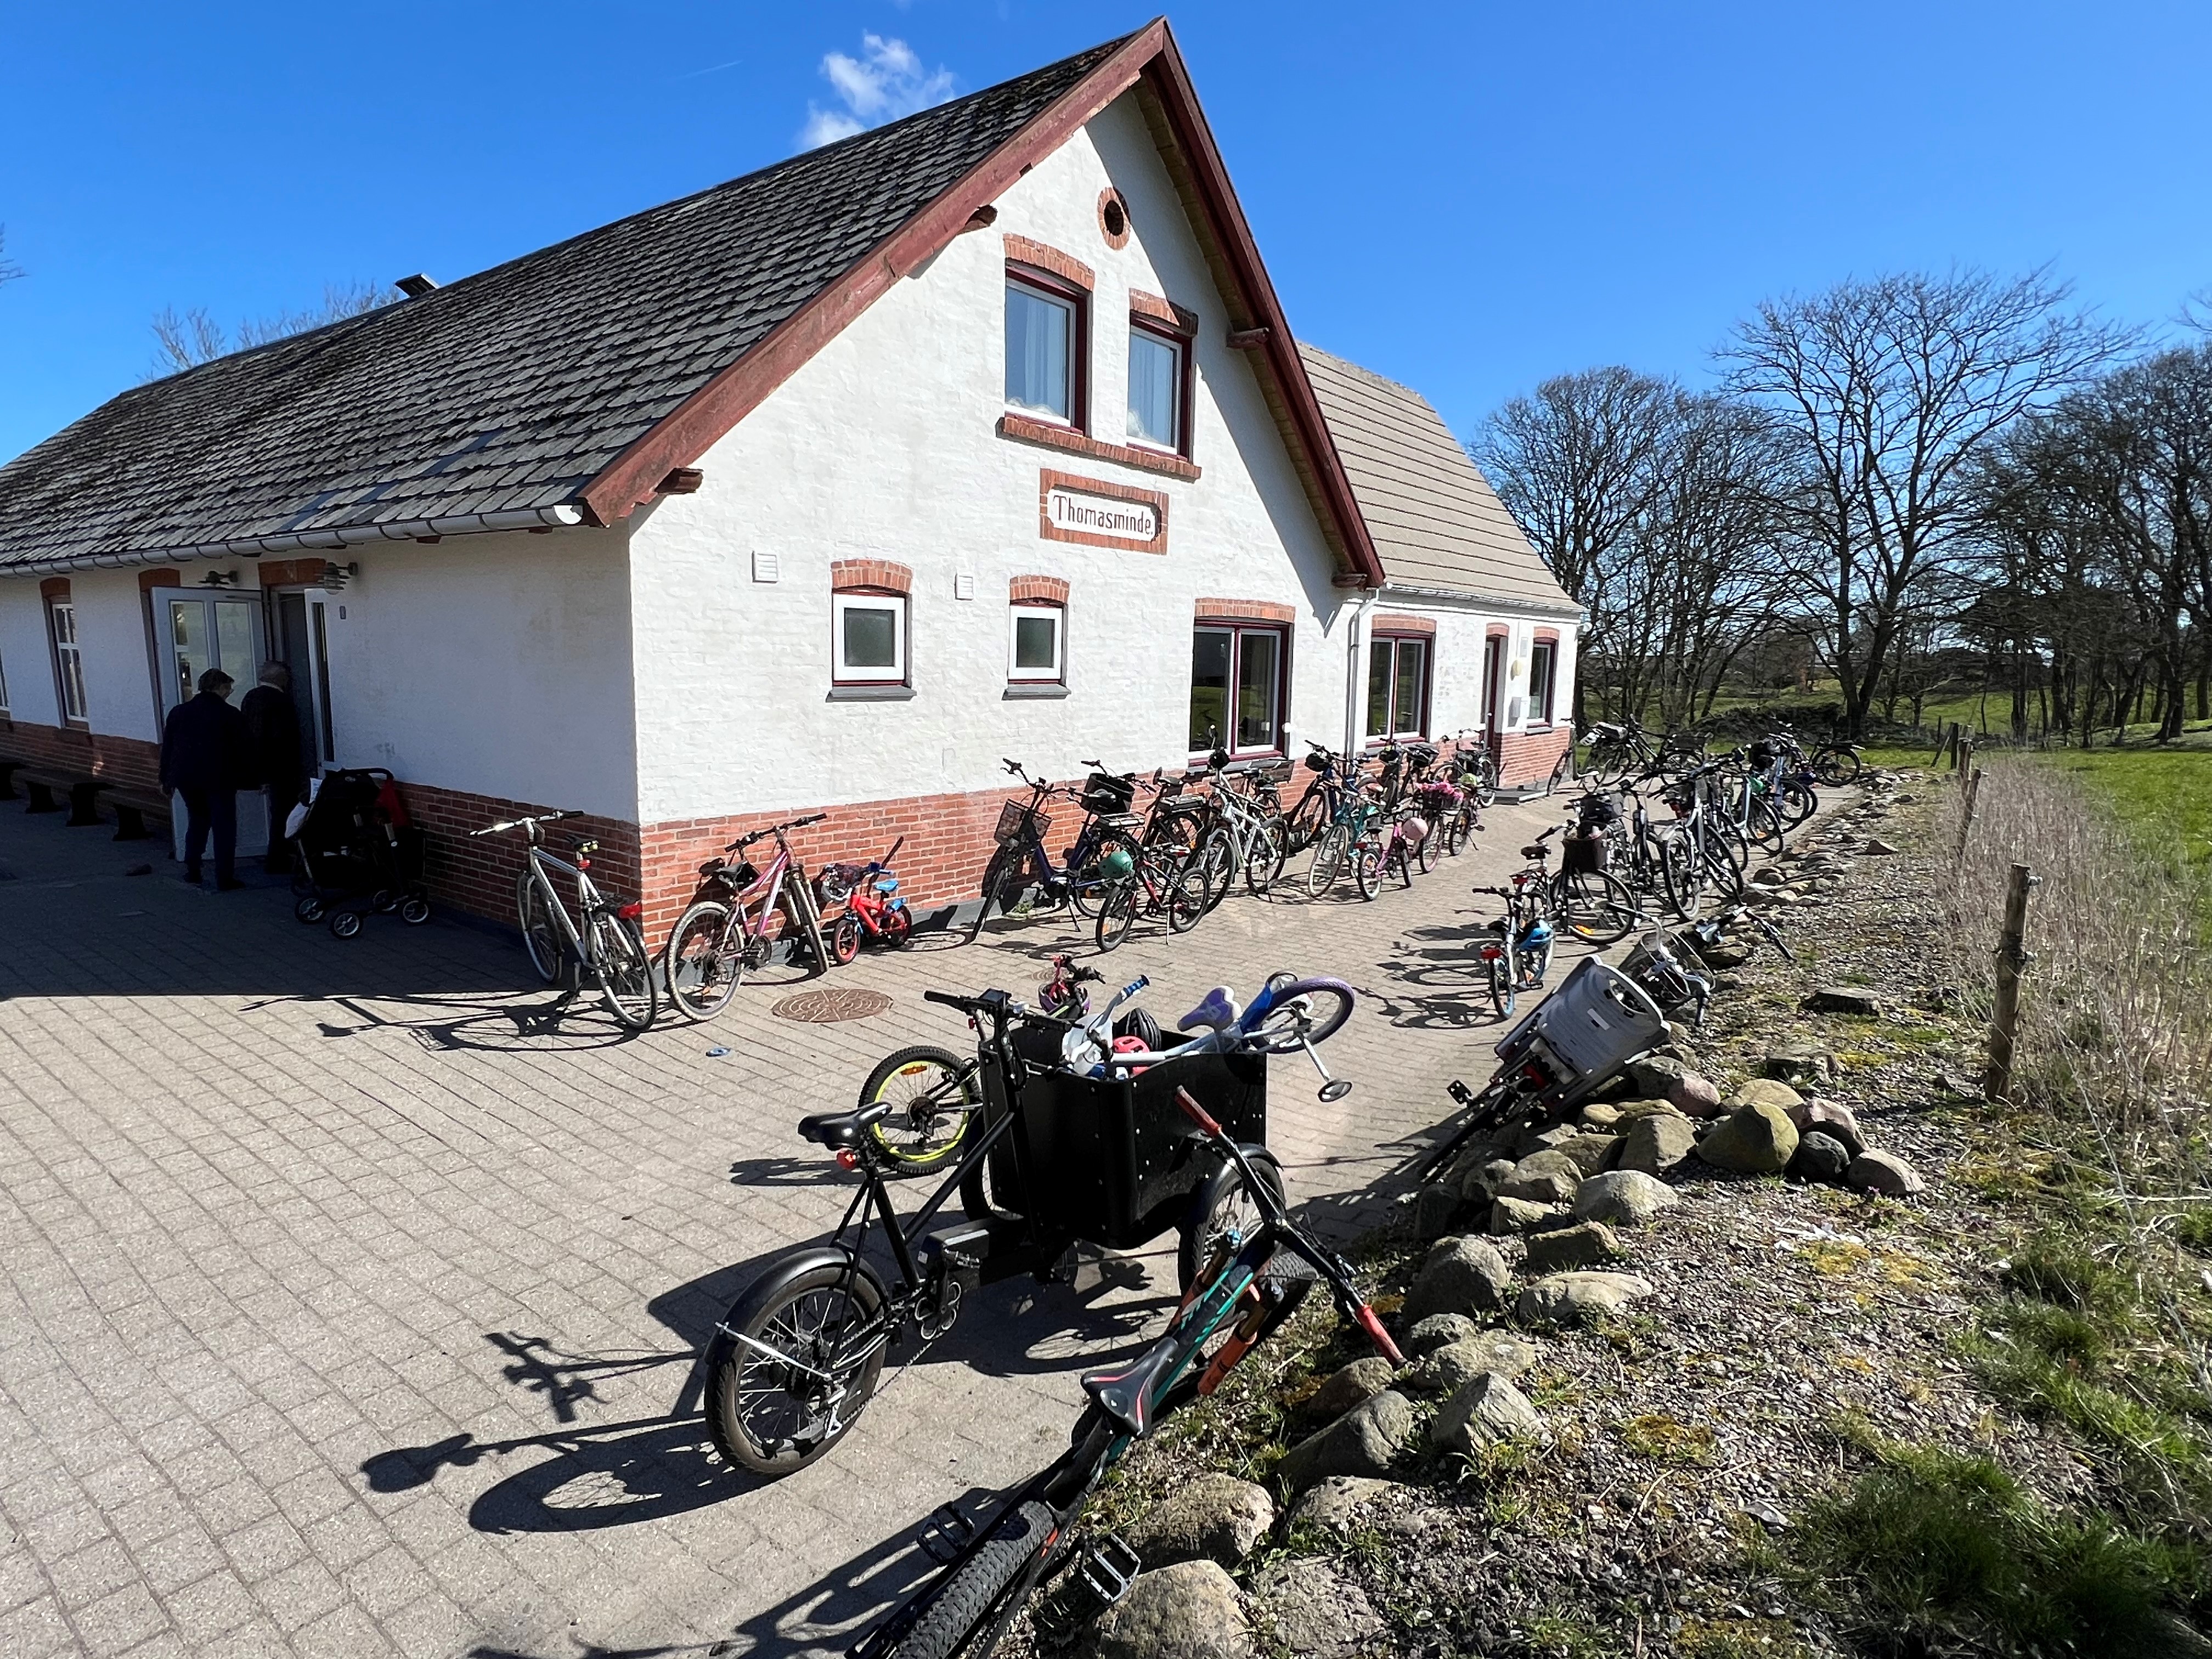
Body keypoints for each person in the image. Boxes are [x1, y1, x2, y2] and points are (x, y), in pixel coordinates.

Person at [160, 668, 251, 890]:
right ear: (220, 688)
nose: (229, 692)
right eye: (228, 688)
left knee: (198, 820)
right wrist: (253, 779)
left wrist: (165, 779)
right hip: (220, 778)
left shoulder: (178, 712)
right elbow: (244, 750)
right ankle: (225, 877)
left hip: (186, 778)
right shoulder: (230, 715)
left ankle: (193, 869)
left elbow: (169, 748)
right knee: (224, 828)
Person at [240, 662, 304, 874]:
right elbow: (280, 739)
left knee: (279, 814)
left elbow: (251, 735)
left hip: (263, 767)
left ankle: (277, 858)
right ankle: (279, 858)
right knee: (284, 814)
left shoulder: (251, 697)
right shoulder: (281, 701)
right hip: (282, 769)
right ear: (282, 678)